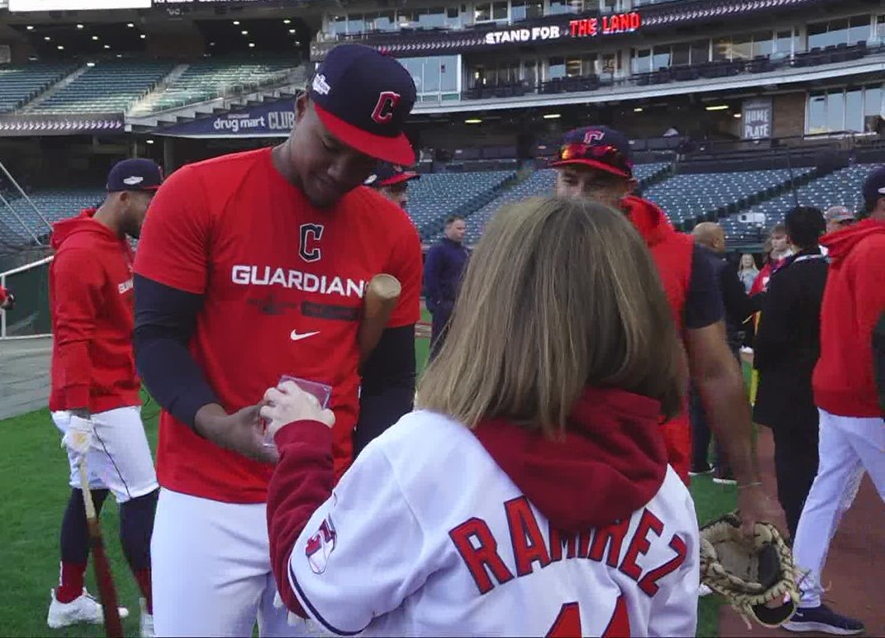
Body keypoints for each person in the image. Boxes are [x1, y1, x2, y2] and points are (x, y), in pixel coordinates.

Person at [263, 197, 698, 635]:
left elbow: (311, 590)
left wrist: (303, 441)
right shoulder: (668, 491)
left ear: (491, 302)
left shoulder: (425, 454)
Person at [131, 43, 423, 637]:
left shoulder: (392, 229)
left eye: (364, 160)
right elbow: (157, 338)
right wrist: (216, 423)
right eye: (332, 145)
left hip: (327, 497)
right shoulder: (197, 192)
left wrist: (358, 484)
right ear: (298, 110)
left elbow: (391, 379)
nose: (341, 172)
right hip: (206, 491)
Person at [550, 125, 780, 534]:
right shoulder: (532, 245)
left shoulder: (681, 256)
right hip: (544, 455)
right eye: (569, 180)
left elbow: (716, 371)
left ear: (627, 188)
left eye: (598, 183)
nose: (579, 195)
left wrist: (749, 484)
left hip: (647, 462)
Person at [47, 159, 163, 635]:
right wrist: (79, 413)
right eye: (149, 200)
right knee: (142, 497)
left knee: (87, 496)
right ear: (124, 198)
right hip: (94, 403)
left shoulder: (119, 245)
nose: (154, 210)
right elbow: (70, 335)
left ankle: (68, 599)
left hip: (112, 392)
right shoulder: (79, 253)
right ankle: (160, 613)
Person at [786, 167, 885, 635]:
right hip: (868, 399)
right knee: (825, 495)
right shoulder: (878, 247)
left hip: (836, 391)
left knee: (824, 496)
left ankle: (801, 599)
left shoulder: (854, 245)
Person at [750, 207, 829, 539]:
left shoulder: (786, 277)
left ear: (792, 237)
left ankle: (799, 525)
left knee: (793, 459)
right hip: (828, 376)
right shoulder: (834, 271)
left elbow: (771, 336)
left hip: (790, 382)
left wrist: (760, 364)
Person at [689, 221, 757, 484]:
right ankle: (726, 468)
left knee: (697, 403)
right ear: (716, 241)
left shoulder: (684, 264)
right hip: (719, 339)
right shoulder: (720, 266)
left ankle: (697, 460)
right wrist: (762, 299)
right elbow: (740, 307)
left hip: (688, 342)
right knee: (724, 400)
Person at [423, 215, 469, 359]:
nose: (463, 231)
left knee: (459, 343)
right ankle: (434, 374)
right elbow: (430, 276)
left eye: (464, 228)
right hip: (444, 304)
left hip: (461, 304)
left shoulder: (465, 252)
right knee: (439, 344)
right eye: (459, 228)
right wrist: (438, 303)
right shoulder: (438, 250)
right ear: (448, 228)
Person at [749, 224, 792, 296]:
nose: (774, 241)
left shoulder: (793, 263)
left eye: (778, 238)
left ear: (788, 239)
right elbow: (754, 293)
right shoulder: (767, 267)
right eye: (773, 238)